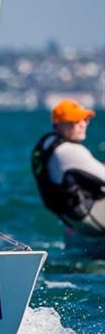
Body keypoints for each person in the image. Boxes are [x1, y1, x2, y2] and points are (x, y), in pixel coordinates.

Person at [31, 98, 104, 236]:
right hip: (89, 216)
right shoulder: (70, 150)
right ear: (58, 124)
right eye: (75, 121)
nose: (82, 125)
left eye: (85, 120)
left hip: (70, 219)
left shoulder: (46, 144)